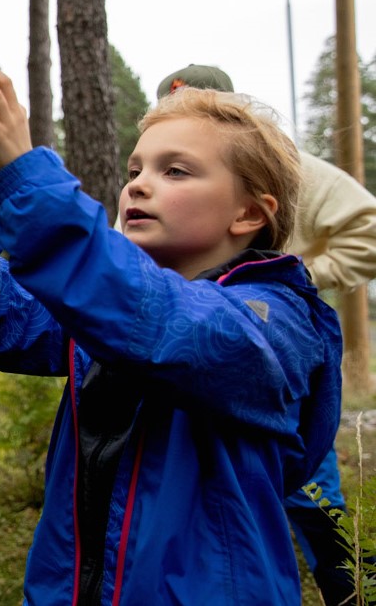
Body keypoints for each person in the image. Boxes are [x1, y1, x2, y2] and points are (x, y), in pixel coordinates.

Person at [0, 59, 342, 605]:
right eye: (136, 169)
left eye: (176, 171)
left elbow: (169, 325)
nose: (139, 185)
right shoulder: (110, 310)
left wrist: (24, 171)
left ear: (248, 213)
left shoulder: (274, 320)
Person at [159, 63, 376, 605]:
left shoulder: (285, 169)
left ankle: (353, 597)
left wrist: (304, 274)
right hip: (178, 365)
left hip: (266, 358)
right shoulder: (153, 180)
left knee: (310, 495)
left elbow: (366, 227)